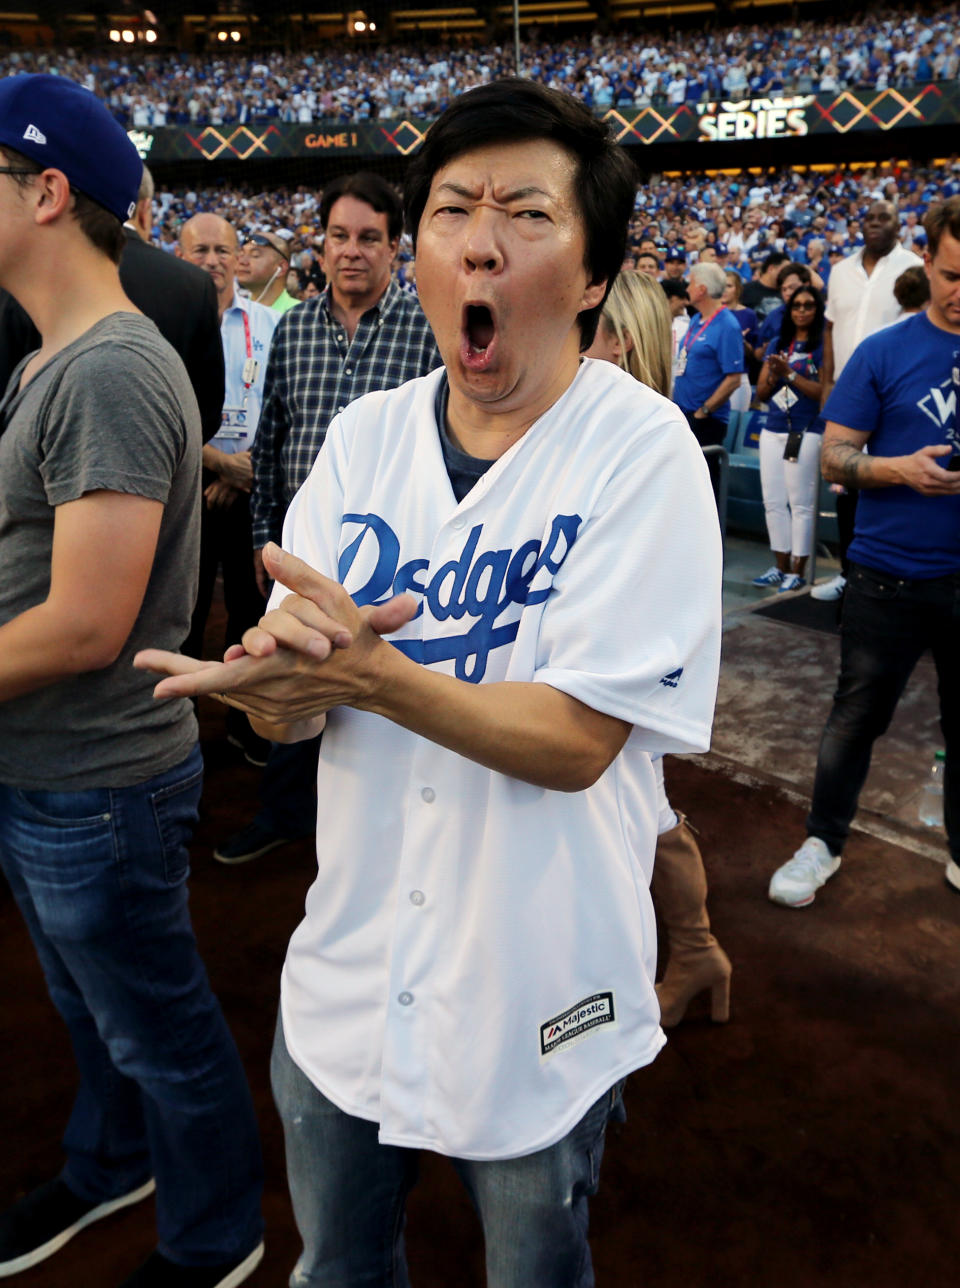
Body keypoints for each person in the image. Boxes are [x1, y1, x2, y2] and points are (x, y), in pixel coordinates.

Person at [137, 79, 722, 1286]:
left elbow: (574, 739)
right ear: (422, 253)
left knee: (534, 1269)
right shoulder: (365, 441)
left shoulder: (643, 451)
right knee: (336, 1269)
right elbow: (303, 694)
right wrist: (261, 687)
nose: (482, 237)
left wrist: (376, 675)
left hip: (542, 985)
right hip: (350, 970)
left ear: (598, 272)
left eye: (527, 212)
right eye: (454, 208)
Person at [0, 75, 263, 1288]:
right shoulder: (62, 354)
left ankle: (218, 1232)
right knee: (100, 1012)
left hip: (97, 785)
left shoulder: (105, 365)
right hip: (52, 774)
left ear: (48, 193)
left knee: (163, 1031)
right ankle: (110, 1162)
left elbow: (85, 625)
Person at [215, 170, 440, 864]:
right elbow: (272, 437)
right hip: (305, 548)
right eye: (339, 236)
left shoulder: (426, 330)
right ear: (319, 244)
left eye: (369, 238)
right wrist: (262, 535)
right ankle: (286, 814)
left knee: (385, 692)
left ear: (394, 247)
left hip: (397, 551)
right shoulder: (293, 332)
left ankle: (391, 839)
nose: (352, 251)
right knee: (295, 672)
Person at [767, 197, 960, 909]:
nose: (959, 292)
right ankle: (823, 839)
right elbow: (835, 457)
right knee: (855, 717)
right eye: (949, 275)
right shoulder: (884, 350)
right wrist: (897, 469)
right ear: (928, 264)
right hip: (888, 573)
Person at [586, 270, 731, 1027]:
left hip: (629, 672)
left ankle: (686, 957)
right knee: (650, 812)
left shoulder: (649, 439)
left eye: (588, 330)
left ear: (624, 342)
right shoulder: (606, 427)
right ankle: (700, 952)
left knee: (639, 814)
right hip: (626, 671)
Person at [0, 164, 225, 443]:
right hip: (165, 464)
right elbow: (207, 411)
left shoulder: (29, 275)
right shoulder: (193, 284)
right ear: (145, 209)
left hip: (35, 461)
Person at [177, 212, 280, 764]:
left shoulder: (267, 324)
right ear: (181, 256)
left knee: (249, 613)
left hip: (250, 492)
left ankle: (245, 724)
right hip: (187, 494)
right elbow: (161, 417)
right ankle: (179, 726)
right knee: (183, 614)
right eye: (201, 251)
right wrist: (216, 465)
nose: (213, 261)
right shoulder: (165, 321)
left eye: (222, 250)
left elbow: (281, 408)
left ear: (239, 258)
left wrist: (246, 472)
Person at [812, 200, 921, 602]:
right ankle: (847, 573)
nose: (874, 224)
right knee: (845, 483)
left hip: (895, 393)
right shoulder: (840, 270)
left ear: (900, 224)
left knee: (886, 482)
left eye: (884, 218)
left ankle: (888, 578)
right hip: (846, 391)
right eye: (869, 218)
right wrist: (826, 384)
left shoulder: (913, 265)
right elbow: (829, 330)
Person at [751, 285, 826, 592]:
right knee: (773, 501)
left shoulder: (823, 347)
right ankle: (780, 566)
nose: (801, 311)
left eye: (808, 306)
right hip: (774, 426)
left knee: (801, 503)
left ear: (817, 310)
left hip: (806, 429)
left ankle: (799, 568)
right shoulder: (778, 344)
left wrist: (791, 374)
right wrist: (774, 372)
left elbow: (823, 393)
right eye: (796, 305)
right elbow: (762, 393)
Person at [673, 260, 745, 495]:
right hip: (684, 411)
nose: (687, 289)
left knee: (703, 485)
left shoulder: (728, 325)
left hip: (705, 419)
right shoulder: (696, 320)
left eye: (691, 283)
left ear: (702, 289)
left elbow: (734, 378)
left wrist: (705, 410)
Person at [236, 229, 300, 312]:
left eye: (255, 255)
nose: (242, 261)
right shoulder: (234, 311)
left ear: (281, 267)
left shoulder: (298, 313)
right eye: (241, 254)